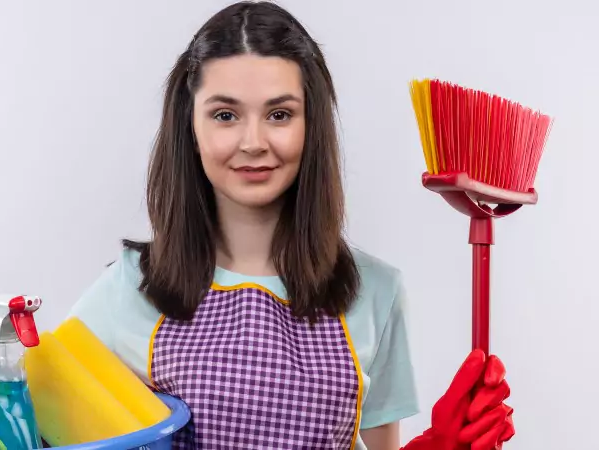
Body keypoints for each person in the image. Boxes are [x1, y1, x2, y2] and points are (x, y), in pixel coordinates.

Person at [69, 2, 515, 449]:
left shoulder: (375, 292)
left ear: (311, 124)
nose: (253, 142)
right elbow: (46, 424)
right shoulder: (130, 287)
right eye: (225, 115)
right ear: (190, 125)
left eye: (279, 114)